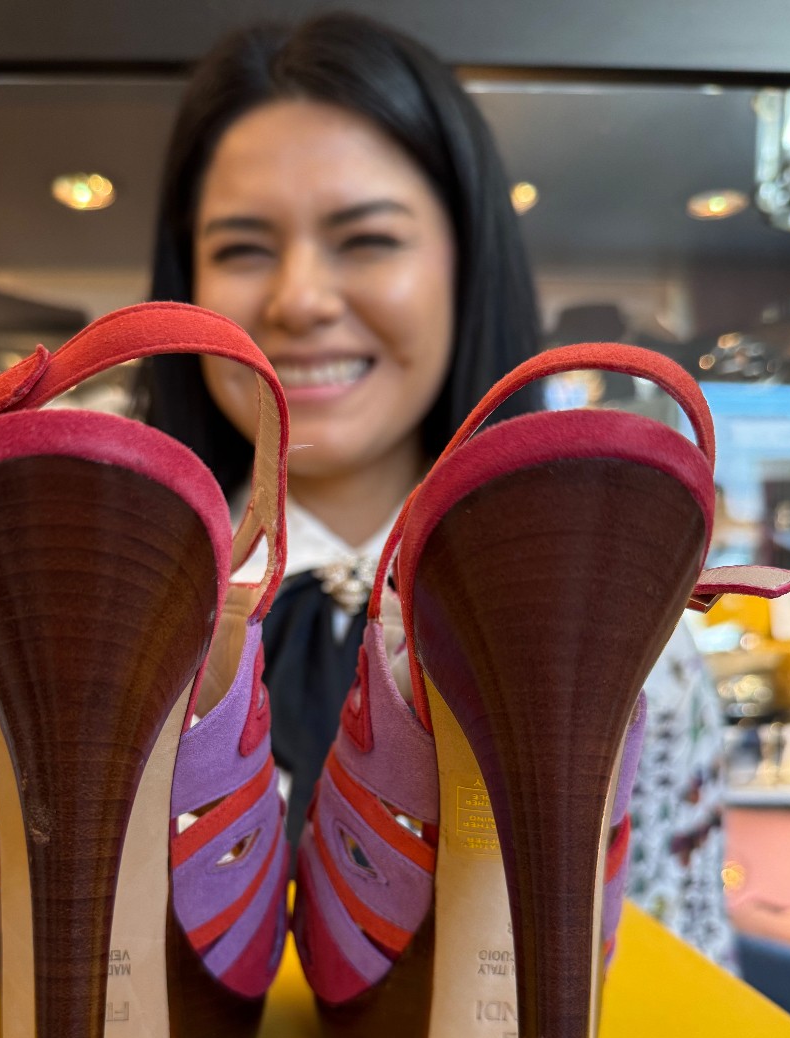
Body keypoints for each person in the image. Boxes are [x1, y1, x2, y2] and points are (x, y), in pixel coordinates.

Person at [136, 12, 540, 845]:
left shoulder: (603, 628)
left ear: (468, 265)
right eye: (243, 249)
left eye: (368, 240)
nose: (300, 300)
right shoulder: (106, 622)